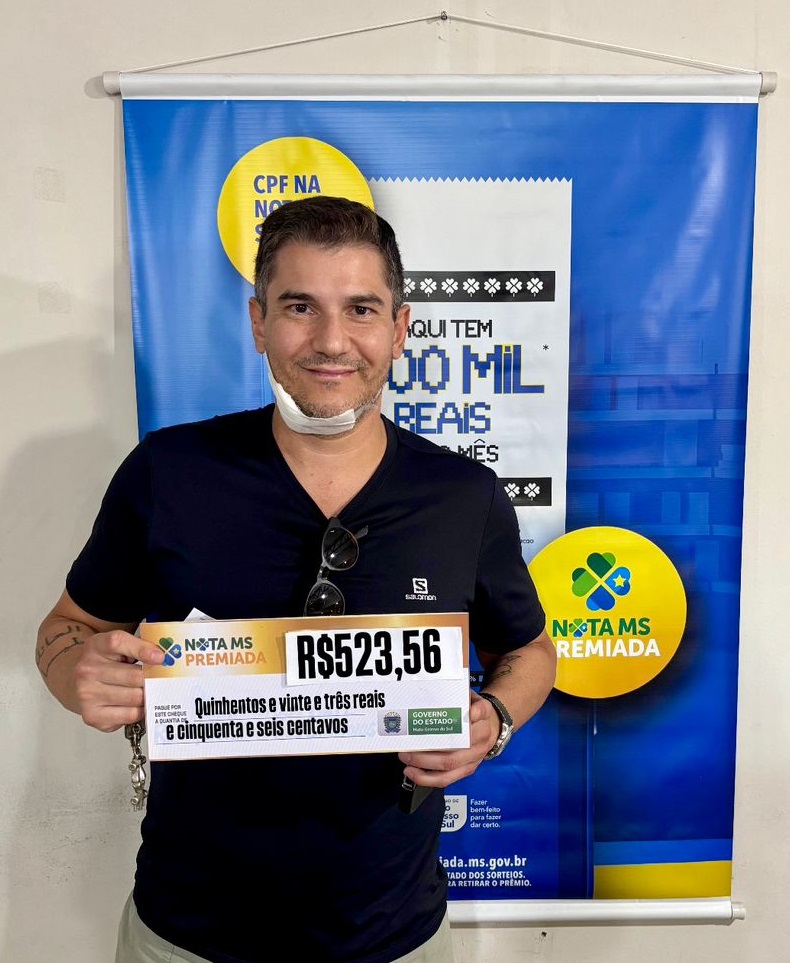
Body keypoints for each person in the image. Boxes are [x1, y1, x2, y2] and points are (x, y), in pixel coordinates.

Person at [36, 195, 557, 963]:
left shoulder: (463, 496)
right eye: (299, 306)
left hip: (393, 936)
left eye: (361, 309)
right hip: (187, 934)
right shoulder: (167, 474)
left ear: (400, 328)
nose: (331, 340)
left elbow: (531, 650)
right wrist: (77, 670)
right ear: (258, 322)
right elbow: (67, 627)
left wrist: (495, 718)